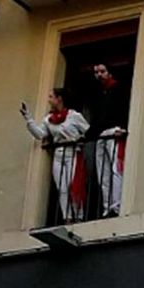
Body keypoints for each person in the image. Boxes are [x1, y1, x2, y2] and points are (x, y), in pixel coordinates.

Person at [22, 89, 90, 224]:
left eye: (51, 97)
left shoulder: (74, 116)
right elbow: (40, 134)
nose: (49, 100)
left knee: (73, 185)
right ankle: (68, 217)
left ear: (59, 99)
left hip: (72, 153)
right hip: (59, 154)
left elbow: (88, 130)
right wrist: (28, 118)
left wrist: (80, 139)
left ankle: (78, 216)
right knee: (62, 187)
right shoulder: (49, 119)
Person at [85, 63, 128, 218]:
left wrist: (123, 127)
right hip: (100, 134)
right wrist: (88, 135)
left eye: (102, 71)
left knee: (116, 169)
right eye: (96, 72)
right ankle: (107, 206)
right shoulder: (97, 94)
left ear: (110, 73)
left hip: (113, 131)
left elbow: (124, 108)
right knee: (103, 173)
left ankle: (116, 205)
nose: (99, 75)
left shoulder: (119, 89)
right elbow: (96, 118)